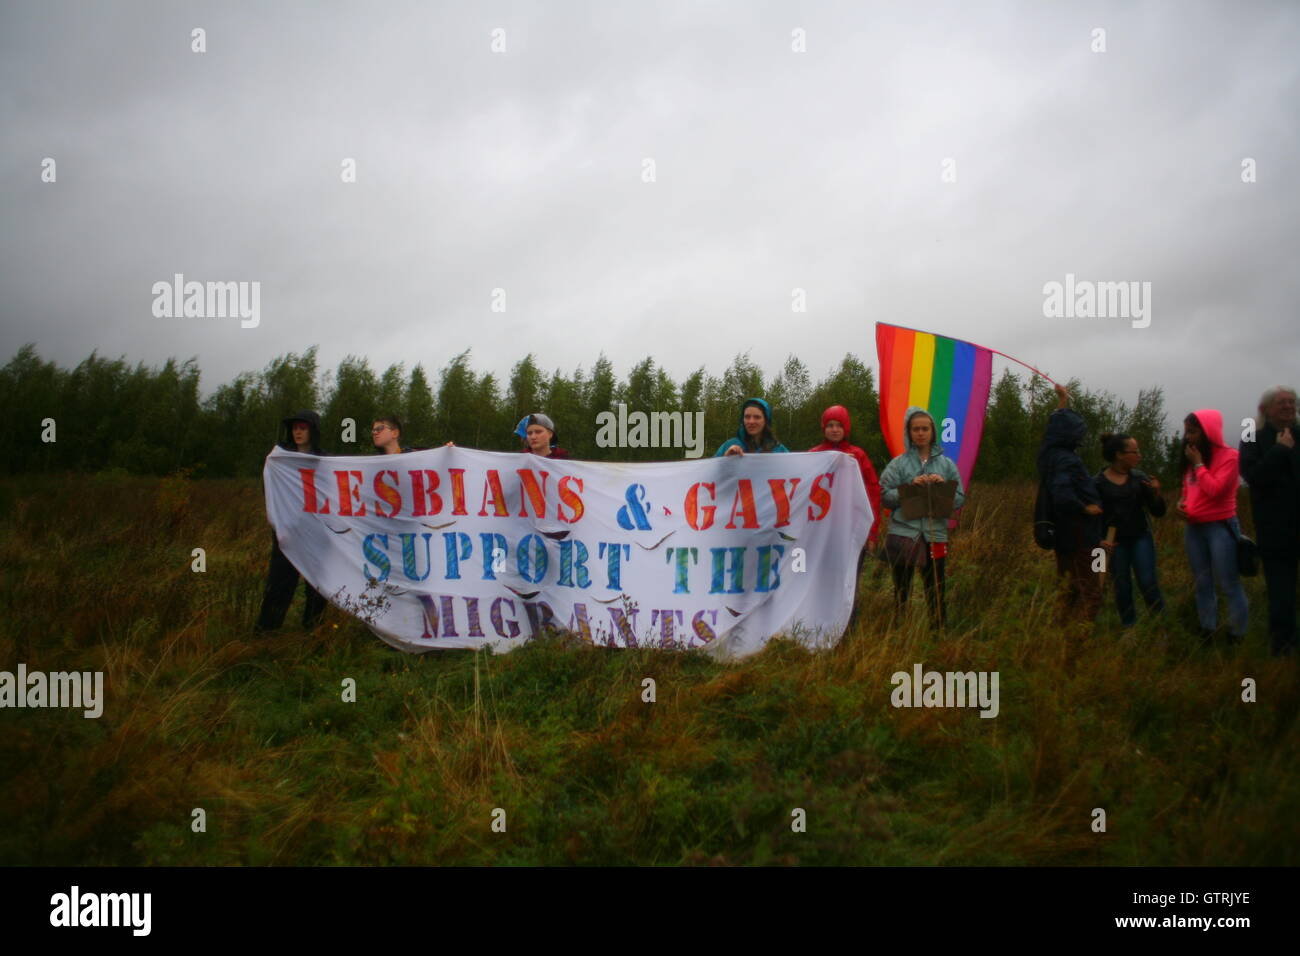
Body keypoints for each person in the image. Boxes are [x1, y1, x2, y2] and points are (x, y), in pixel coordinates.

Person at [878, 406, 964, 626]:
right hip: (903, 533)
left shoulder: (946, 465)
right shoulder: (898, 464)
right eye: (915, 429)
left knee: (936, 588)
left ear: (932, 432)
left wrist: (943, 487)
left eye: (925, 428)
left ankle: (937, 633)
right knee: (902, 590)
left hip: (935, 535)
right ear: (909, 432)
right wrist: (908, 489)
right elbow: (883, 495)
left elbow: (960, 499)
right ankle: (900, 631)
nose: (920, 433)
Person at [1175, 408, 1248, 643]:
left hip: (1220, 527)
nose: (1188, 437)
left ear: (1209, 431)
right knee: (1202, 582)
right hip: (1194, 528)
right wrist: (1181, 503)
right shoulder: (1193, 456)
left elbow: (1215, 490)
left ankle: (1236, 634)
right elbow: (1188, 489)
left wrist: (1198, 465)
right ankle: (1207, 629)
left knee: (1228, 583)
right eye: (1187, 432)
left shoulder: (1230, 457)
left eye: (1193, 431)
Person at [255, 410, 328, 633]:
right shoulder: (280, 459)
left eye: (303, 428)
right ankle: (267, 631)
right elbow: (269, 488)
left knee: (318, 586)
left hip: (316, 532)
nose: (297, 432)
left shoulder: (324, 460)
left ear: (312, 431)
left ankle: (313, 630)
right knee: (280, 583)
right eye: (295, 427)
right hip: (287, 530)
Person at [1037, 385, 1104, 626]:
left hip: (1066, 535)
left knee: (1068, 586)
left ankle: (1060, 633)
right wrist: (1086, 508)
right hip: (1083, 536)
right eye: (1078, 431)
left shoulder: (1049, 453)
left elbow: (1053, 430)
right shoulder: (1067, 459)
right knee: (1092, 590)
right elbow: (1062, 493)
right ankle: (1078, 641)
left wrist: (1062, 401)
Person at [1239, 386, 1298, 655]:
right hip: (1275, 528)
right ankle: (1283, 647)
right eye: (1281, 402)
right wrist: (1280, 450)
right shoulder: (1252, 436)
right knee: (1281, 590)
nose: (1288, 406)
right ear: (1265, 409)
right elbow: (1254, 477)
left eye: (1292, 402)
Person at [1094, 433, 1167, 627]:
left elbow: (1158, 511)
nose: (1139, 456)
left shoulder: (1140, 479)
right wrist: (1099, 543)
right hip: (1113, 543)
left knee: (1147, 581)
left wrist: (1156, 494)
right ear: (1119, 455)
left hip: (1140, 537)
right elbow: (1092, 517)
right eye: (1135, 452)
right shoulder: (1098, 483)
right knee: (1121, 585)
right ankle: (1129, 627)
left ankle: (1162, 627)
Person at [714, 398, 789, 456]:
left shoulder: (778, 449)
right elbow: (712, 472)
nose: (751, 421)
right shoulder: (730, 446)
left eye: (757, 417)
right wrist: (725, 459)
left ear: (766, 420)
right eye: (747, 417)